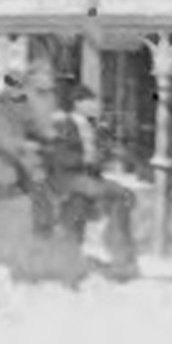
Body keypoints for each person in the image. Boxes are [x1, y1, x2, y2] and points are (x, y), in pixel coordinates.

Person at [40, 80, 139, 278]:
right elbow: (59, 156)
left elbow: (101, 152)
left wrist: (110, 155)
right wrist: (88, 160)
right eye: (91, 102)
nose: (96, 107)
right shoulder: (64, 125)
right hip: (67, 177)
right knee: (119, 194)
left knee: (116, 198)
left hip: (87, 178)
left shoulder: (93, 127)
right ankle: (121, 256)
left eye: (96, 103)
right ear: (78, 104)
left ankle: (120, 255)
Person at [0, 69, 55, 234]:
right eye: (14, 86)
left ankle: (43, 237)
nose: (18, 90)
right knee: (5, 209)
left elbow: (33, 126)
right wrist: (23, 145)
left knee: (43, 194)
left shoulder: (22, 103)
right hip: (2, 166)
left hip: (22, 165)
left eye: (20, 86)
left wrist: (47, 135)